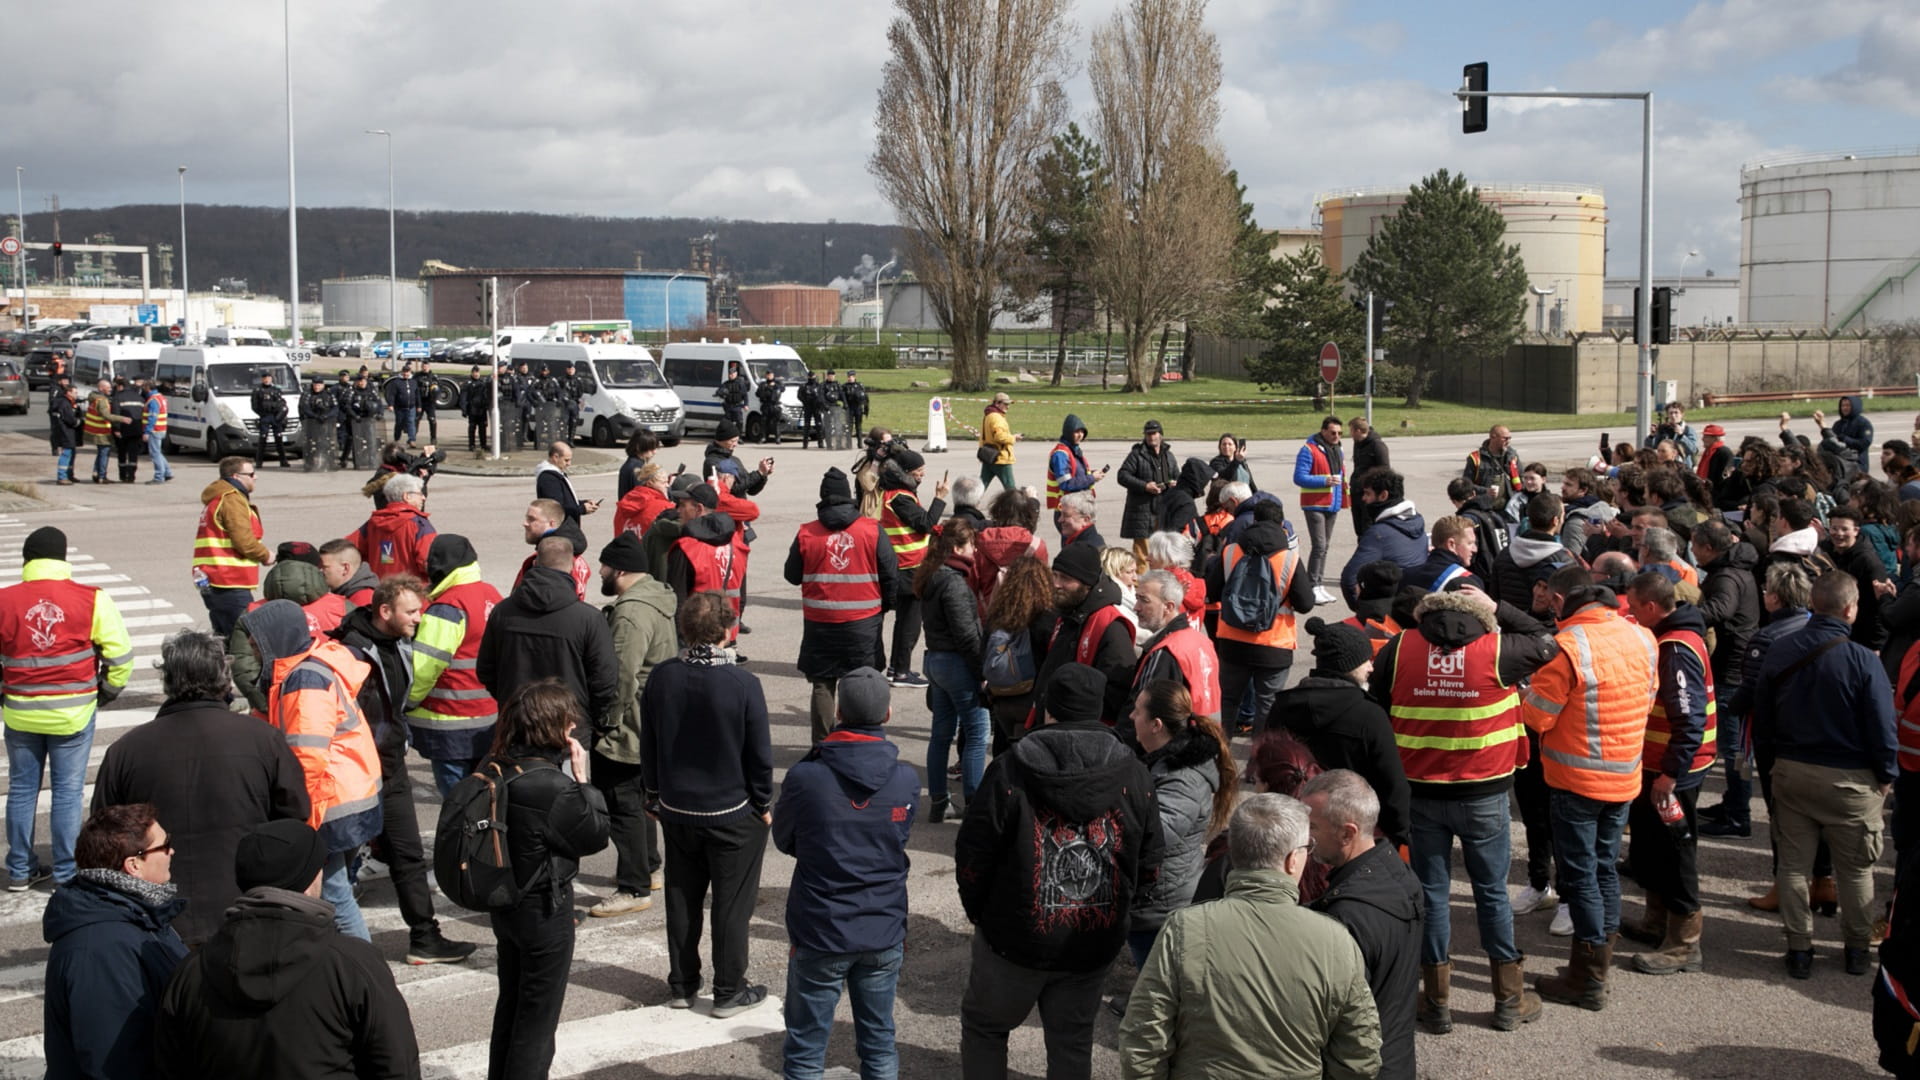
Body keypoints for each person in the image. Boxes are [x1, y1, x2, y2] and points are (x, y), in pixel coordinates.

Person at [956, 663, 1165, 1080]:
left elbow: (973, 856)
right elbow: (1151, 862)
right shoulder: (1134, 773)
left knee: (986, 1028)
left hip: (1016, 938)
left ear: (1049, 708)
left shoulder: (1010, 768)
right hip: (1090, 939)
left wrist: (982, 914)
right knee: (1071, 1041)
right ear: (1100, 711)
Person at [1371, 586, 1555, 1031]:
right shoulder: (1499, 649)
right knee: (1491, 892)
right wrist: (1501, 607)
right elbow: (1550, 639)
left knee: (1431, 895)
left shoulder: (1399, 647)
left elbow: (1378, 707)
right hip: (1484, 792)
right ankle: (1508, 1001)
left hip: (1420, 791)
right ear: (1480, 616)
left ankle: (1435, 1004)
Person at [1117, 793, 1381, 1080]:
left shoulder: (1184, 929)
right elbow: (1360, 1056)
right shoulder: (1336, 941)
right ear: (1293, 860)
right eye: (1308, 847)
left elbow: (1143, 1039)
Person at [154, 818, 419, 1079]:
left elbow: (171, 1067)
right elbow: (396, 1066)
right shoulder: (353, 964)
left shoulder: (191, 972)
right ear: (308, 877)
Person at [91, 630, 309, 946]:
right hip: (248, 909)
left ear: (167, 680)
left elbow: (103, 841)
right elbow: (296, 818)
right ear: (224, 678)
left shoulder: (126, 751)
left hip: (159, 919)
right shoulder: (264, 739)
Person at [1523, 565, 1659, 1012]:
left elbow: (1538, 716)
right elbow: (1648, 691)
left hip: (1575, 781)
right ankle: (1596, 966)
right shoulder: (1642, 637)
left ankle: (1587, 978)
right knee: (1604, 870)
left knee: (1580, 876)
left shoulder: (1567, 648)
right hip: (1624, 776)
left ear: (1561, 602)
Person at [1751, 571, 1897, 979]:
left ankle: (1799, 949)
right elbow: (1882, 727)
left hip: (1793, 773)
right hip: (1851, 780)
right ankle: (1855, 950)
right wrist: (1886, 776)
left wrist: (1771, 772)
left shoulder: (1780, 650)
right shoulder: (1864, 661)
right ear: (1851, 609)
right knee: (1855, 870)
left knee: (1793, 866)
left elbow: (1763, 721)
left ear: (1813, 604)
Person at [774, 667, 918, 1080]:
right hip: (883, 925)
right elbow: (898, 838)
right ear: (887, 714)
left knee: (805, 1050)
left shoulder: (806, 776)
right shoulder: (905, 779)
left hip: (821, 927)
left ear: (837, 711)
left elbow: (785, 840)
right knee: (878, 1042)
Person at [642, 592, 775, 1017]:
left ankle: (682, 984)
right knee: (731, 904)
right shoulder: (742, 683)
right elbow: (759, 754)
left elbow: (650, 743)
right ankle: (728, 988)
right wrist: (763, 801)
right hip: (731, 810)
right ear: (727, 629)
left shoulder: (663, 677)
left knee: (681, 898)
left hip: (677, 807)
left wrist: (652, 792)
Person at [327, 574, 473, 965]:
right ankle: (335, 951)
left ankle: (425, 938)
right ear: (385, 611)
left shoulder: (399, 643)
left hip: (390, 770)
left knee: (408, 856)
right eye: (411, 611)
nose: (419, 618)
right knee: (337, 868)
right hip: (356, 776)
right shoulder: (351, 650)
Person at [476, 681, 611, 1079]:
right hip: (543, 909)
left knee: (512, 1005)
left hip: (505, 901)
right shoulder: (552, 786)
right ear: (554, 729)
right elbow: (595, 834)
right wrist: (583, 779)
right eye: (569, 724)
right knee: (537, 1022)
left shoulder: (493, 766)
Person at [1, 526, 133, 890]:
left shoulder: (4, 600)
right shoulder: (91, 599)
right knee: (67, 792)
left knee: (23, 789)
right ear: (62, 559)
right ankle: (64, 872)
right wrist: (104, 692)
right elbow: (121, 656)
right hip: (73, 714)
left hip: (20, 712)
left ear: (27, 560)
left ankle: (19, 871)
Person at [243, 599, 382, 942]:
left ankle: (364, 966)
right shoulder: (308, 668)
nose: (251, 647)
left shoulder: (304, 677)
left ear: (276, 637)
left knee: (334, 895)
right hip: (350, 796)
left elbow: (308, 756)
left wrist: (302, 820)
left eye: (255, 640)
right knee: (339, 890)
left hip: (331, 803)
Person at [42, 803, 188, 1080]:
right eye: (165, 844)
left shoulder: (139, 910)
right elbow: (115, 1062)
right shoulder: (100, 950)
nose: (172, 851)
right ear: (134, 865)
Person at [1619, 572, 1716, 976]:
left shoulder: (1674, 648)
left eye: (1635, 607)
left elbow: (1689, 719)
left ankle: (1684, 944)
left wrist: (1670, 775)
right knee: (1654, 846)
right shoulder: (1672, 637)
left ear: (1653, 607)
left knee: (1676, 853)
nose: (1632, 614)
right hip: (1660, 764)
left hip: (1675, 769)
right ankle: (1656, 922)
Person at [1303, 769, 1423, 1080]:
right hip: (1397, 1059)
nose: (1306, 836)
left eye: (1313, 826)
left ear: (1347, 833)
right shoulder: (1399, 875)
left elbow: (1334, 1017)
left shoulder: (1345, 917)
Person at [589, 532, 676, 918]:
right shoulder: (657, 596)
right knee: (641, 799)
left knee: (621, 802)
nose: (600, 572)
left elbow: (621, 676)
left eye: (604, 566)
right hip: (652, 719)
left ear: (620, 570)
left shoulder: (630, 612)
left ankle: (634, 886)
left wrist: (606, 723)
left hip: (629, 725)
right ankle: (650, 866)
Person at [1272, 617, 1412, 849]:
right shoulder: (1369, 716)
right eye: (1365, 660)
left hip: (1294, 831)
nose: (1371, 667)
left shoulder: (1282, 707)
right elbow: (1392, 784)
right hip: (1352, 834)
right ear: (1348, 665)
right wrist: (1399, 833)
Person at [1125, 681, 1236, 970]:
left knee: (1158, 974)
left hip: (1162, 902)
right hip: (1156, 895)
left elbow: (1152, 836)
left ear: (1156, 725)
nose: (1131, 717)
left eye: (1137, 712)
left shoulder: (1182, 779)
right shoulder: (1160, 762)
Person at [786, 468, 896, 743]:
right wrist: (886, 606)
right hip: (863, 620)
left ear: (822, 497)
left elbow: (791, 575)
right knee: (863, 682)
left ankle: (822, 745)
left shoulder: (807, 532)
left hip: (820, 621)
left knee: (823, 684)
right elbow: (890, 573)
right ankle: (861, 741)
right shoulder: (871, 529)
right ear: (848, 496)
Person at [478, 536, 619, 735]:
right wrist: (588, 718)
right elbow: (604, 679)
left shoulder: (503, 611)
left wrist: (512, 703)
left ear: (535, 563)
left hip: (516, 726)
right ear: (571, 567)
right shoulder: (589, 618)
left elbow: (486, 669)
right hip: (569, 729)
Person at [402, 535, 503, 798]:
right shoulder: (490, 594)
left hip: (450, 723)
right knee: (485, 799)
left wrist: (407, 701)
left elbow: (425, 667)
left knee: (457, 803)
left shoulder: (448, 606)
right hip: (489, 717)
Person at [1206, 498, 1316, 734]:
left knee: (1230, 700)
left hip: (1232, 640)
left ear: (1253, 521)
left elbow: (1212, 591)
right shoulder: (1289, 558)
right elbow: (1306, 604)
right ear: (1282, 525)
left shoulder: (1230, 551)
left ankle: (1221, 751)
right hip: (1274, 644)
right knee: (1266, 705)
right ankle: (1259, 759)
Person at [1036, 544, 1138, 726]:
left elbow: (1118, 691)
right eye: (1055, 575)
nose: (1056, 584)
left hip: (1081, 731)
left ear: (1087, 584)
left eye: (1065, 579)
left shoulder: (1110, 625)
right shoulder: (1067, 613)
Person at [879, 447, 948, 687]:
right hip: (909, 568)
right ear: (907, 473)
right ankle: (901, 672)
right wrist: (939, 499)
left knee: (904, 622)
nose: (923, 476)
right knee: (910, 623)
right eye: (919, 472)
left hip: (903, 566)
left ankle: (895, 668)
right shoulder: (900, 498)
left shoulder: (896, 493)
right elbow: (926, 523)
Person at [982, 556, 1058, 755]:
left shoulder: (998, 615)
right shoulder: (1047, 617)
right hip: (1030, 699)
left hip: (1002, 696)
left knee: (1003, 749)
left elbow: (984, 652)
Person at [194, 456, 272, 638]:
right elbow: (244, 541)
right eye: (251, 474)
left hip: (214, 579)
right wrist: (266, 555)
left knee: (225, 637)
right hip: (228, 580)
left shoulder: (218, 499)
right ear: (237, 477)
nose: (256, 477)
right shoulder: (231, 500)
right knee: (242, 639)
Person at [1131, 570, 1222, 721]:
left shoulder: (1166, 651)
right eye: (1136, 598)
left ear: (1168, 607)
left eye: (1144, 600)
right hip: (1206, 734)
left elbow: (1144, 712)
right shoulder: (1201, 640)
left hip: (1179, 738)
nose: (1136, 607)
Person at [1340, 468, 1426, 603]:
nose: (1364, 498)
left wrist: (1363, 610)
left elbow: (1349, 578)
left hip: (1393, 610)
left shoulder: (1379, 534)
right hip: (1417, 603)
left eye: (1368, 494)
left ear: (1383, 495)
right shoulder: (1417, 520)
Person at [345, 472, 437, 582]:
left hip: (380, 590)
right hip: (411, 592)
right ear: (406, 496)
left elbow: (346, 549)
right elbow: (429, 562)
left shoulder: (374, 522)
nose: (423, 497)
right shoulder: (420, 525)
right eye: (420, 493)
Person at [1294, 415, 1347, 605]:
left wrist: (1342, 500)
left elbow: (1341, 477)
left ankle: (1318, 584)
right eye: (1333, 432)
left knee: (1325, 547)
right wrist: (1324, 480)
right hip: (1314, 504)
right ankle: (1312, 585)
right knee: (1320, 546)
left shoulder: (1337, 450)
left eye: (1340, 433)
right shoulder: (1308, 449)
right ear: (1323, 431)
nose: (1336, 436)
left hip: (1332, 504)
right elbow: (1299, 477)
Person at [1119, 419, 1178, 566]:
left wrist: (1174, 483)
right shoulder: (1136, 454)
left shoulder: (1168, 455)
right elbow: (1122, 476)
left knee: (1163, 552)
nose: (1152, 437)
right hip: (1142, 511)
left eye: (1154, 433)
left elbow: (1177, 475)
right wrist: (1145, 486)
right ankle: (1141, 587)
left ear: (1161, 435)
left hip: (1163, 510)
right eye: (1148, 434)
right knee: (1142, 556)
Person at [1046, 414, 1107, 534]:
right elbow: (1066, 484)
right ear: (1069, 432)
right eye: (1076, 432)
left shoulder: (1073, 450)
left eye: (1082, 432)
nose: (1080, 435)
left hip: (1078, 508)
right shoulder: (1061, 454)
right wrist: (1091, 478)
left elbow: (1076, 474)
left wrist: (1092, 474)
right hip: (1067, 511)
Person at [1402, 514, 1485, 594]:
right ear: (1451, 544)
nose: (1475, 549)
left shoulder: (1406, 576)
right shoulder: (1469, 583)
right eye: (1470, 543)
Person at [535, 441, 601, 533]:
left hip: (565, 528)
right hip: (559, 531)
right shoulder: (549, 479)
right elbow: (556, 508)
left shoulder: (557, 474)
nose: (569, 463)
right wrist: (581, 509)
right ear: (555, 457)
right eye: (566, 460)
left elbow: (566, 500)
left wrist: (583, 503)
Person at [703, 420, 772, 497]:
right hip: (725, 506)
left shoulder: (734, 460)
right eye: (732, 441)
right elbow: (733, 488)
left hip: (740, 506)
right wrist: (759, 473)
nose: (735, 444)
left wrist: (763, 475)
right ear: (721, 441)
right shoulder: (713, 462)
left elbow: (751, 489)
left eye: (736, 441)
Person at [83, 378, 130, 483]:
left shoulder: (94, 398)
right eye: (107, 387)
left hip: (95, 430)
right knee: (104, 453)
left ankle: (96, 472)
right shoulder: (102, 401)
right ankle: (102, 476)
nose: (110, 389)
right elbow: (106, 415)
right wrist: (121, 418)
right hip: (102, 431)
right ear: (101, 388)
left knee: (100, 453)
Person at [1348, 417, 1389, 535]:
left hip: (1369, 494)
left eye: (1351, 430)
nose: (1350, 434)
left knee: (1368, 529)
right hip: (1356, 492)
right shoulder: (1358, 444)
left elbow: (1385, 470)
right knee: (1359, 529)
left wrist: (1372, 487)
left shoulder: (1377, 445)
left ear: (1358, 431)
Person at [1816, 395, 1875, 475]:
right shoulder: (1838, 424)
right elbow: (1832, 440)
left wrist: (1846, 440)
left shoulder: (1863, 423)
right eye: (1843, 405)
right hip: (1841, 465)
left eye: (1848, 405)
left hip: (1858, 465)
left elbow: (1865, 442)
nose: (1845, 408)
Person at [1464, 424, 1521, 502]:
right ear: (1493, 437)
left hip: (1508, 507)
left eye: (1509, 438)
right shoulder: (1475, 458)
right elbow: (1466, 485)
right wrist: (1485, 491)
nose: (1508, 441)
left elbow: (1522, 478)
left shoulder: (1512, 456)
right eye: (1505, 438)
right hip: (1484, 506)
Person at [319, 538, 378, 609]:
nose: (320, 571)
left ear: (345, 569)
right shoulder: (346, 592)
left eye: (325, 567)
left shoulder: (363, 601)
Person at [979, 391, 1020, 493]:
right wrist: (1013, 438)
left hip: (988, 457)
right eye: (1005, 404)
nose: (1008, 407)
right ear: (997, 403)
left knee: (980, 487)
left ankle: (969, 504)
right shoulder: (997, 418)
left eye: (1009, 404)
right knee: (1010, 489)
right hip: (1001, 458)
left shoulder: (988, 416)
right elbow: (999, 437)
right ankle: (1014, 508)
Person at [48, 380, 81, 485]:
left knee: (72, 453)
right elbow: (70, 419)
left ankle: (69, 474)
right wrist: (78, 421)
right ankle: (62, 476)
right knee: (66, 454)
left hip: (68, 432)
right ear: (69, 393)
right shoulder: (65, 404)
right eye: (75, 392)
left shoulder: (69, 403)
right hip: (65, 432)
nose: (77, 394)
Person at [143, 379, 174, 483]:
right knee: (158, 453)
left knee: (155, 454)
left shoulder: (153, 400)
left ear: (148, 388)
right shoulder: (161, 398)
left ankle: (159, 477)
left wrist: (147, 431)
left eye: (144, 387)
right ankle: (167, 472)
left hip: (155, 430)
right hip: (161, 429)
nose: (143, 389)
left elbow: (152, 417)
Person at [718, 362, 752, 434]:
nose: (731, 375)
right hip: (728, 406)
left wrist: (746, 405)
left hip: (737, 406)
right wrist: (721, 392)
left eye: (733, 374)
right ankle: (728, 435)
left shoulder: (740, 384)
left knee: (739, 422)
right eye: (730, 374)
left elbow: (745, 395)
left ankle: (739, 436)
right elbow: (719, 391)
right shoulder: (726, 384)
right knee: (727, 422)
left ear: (736, 374)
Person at [754, 369, 785, 444]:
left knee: (776, 422)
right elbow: (758, 393)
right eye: (768, 375)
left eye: (770, 375)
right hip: (766, 405)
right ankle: (763, 437)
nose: (769, 376)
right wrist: (766, 388)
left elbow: (782, 389)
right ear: (766, 375)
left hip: (774, 405)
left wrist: (774, 385)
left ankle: (777, 438)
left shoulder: (777, 383)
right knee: (764, 422)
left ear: (773, 375)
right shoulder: (763, 384)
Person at [844, 369, 869, 434]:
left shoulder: (860, 385)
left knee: (859, 425)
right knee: (849, 425)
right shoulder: (845, 386)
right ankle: (849, 442)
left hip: (858, 407)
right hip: (850, 407)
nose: (850, 378)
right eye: (848, 376)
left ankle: (860, 443)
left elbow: (865, 397)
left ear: (854, 377)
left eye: (851, 376)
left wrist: (866, 408)